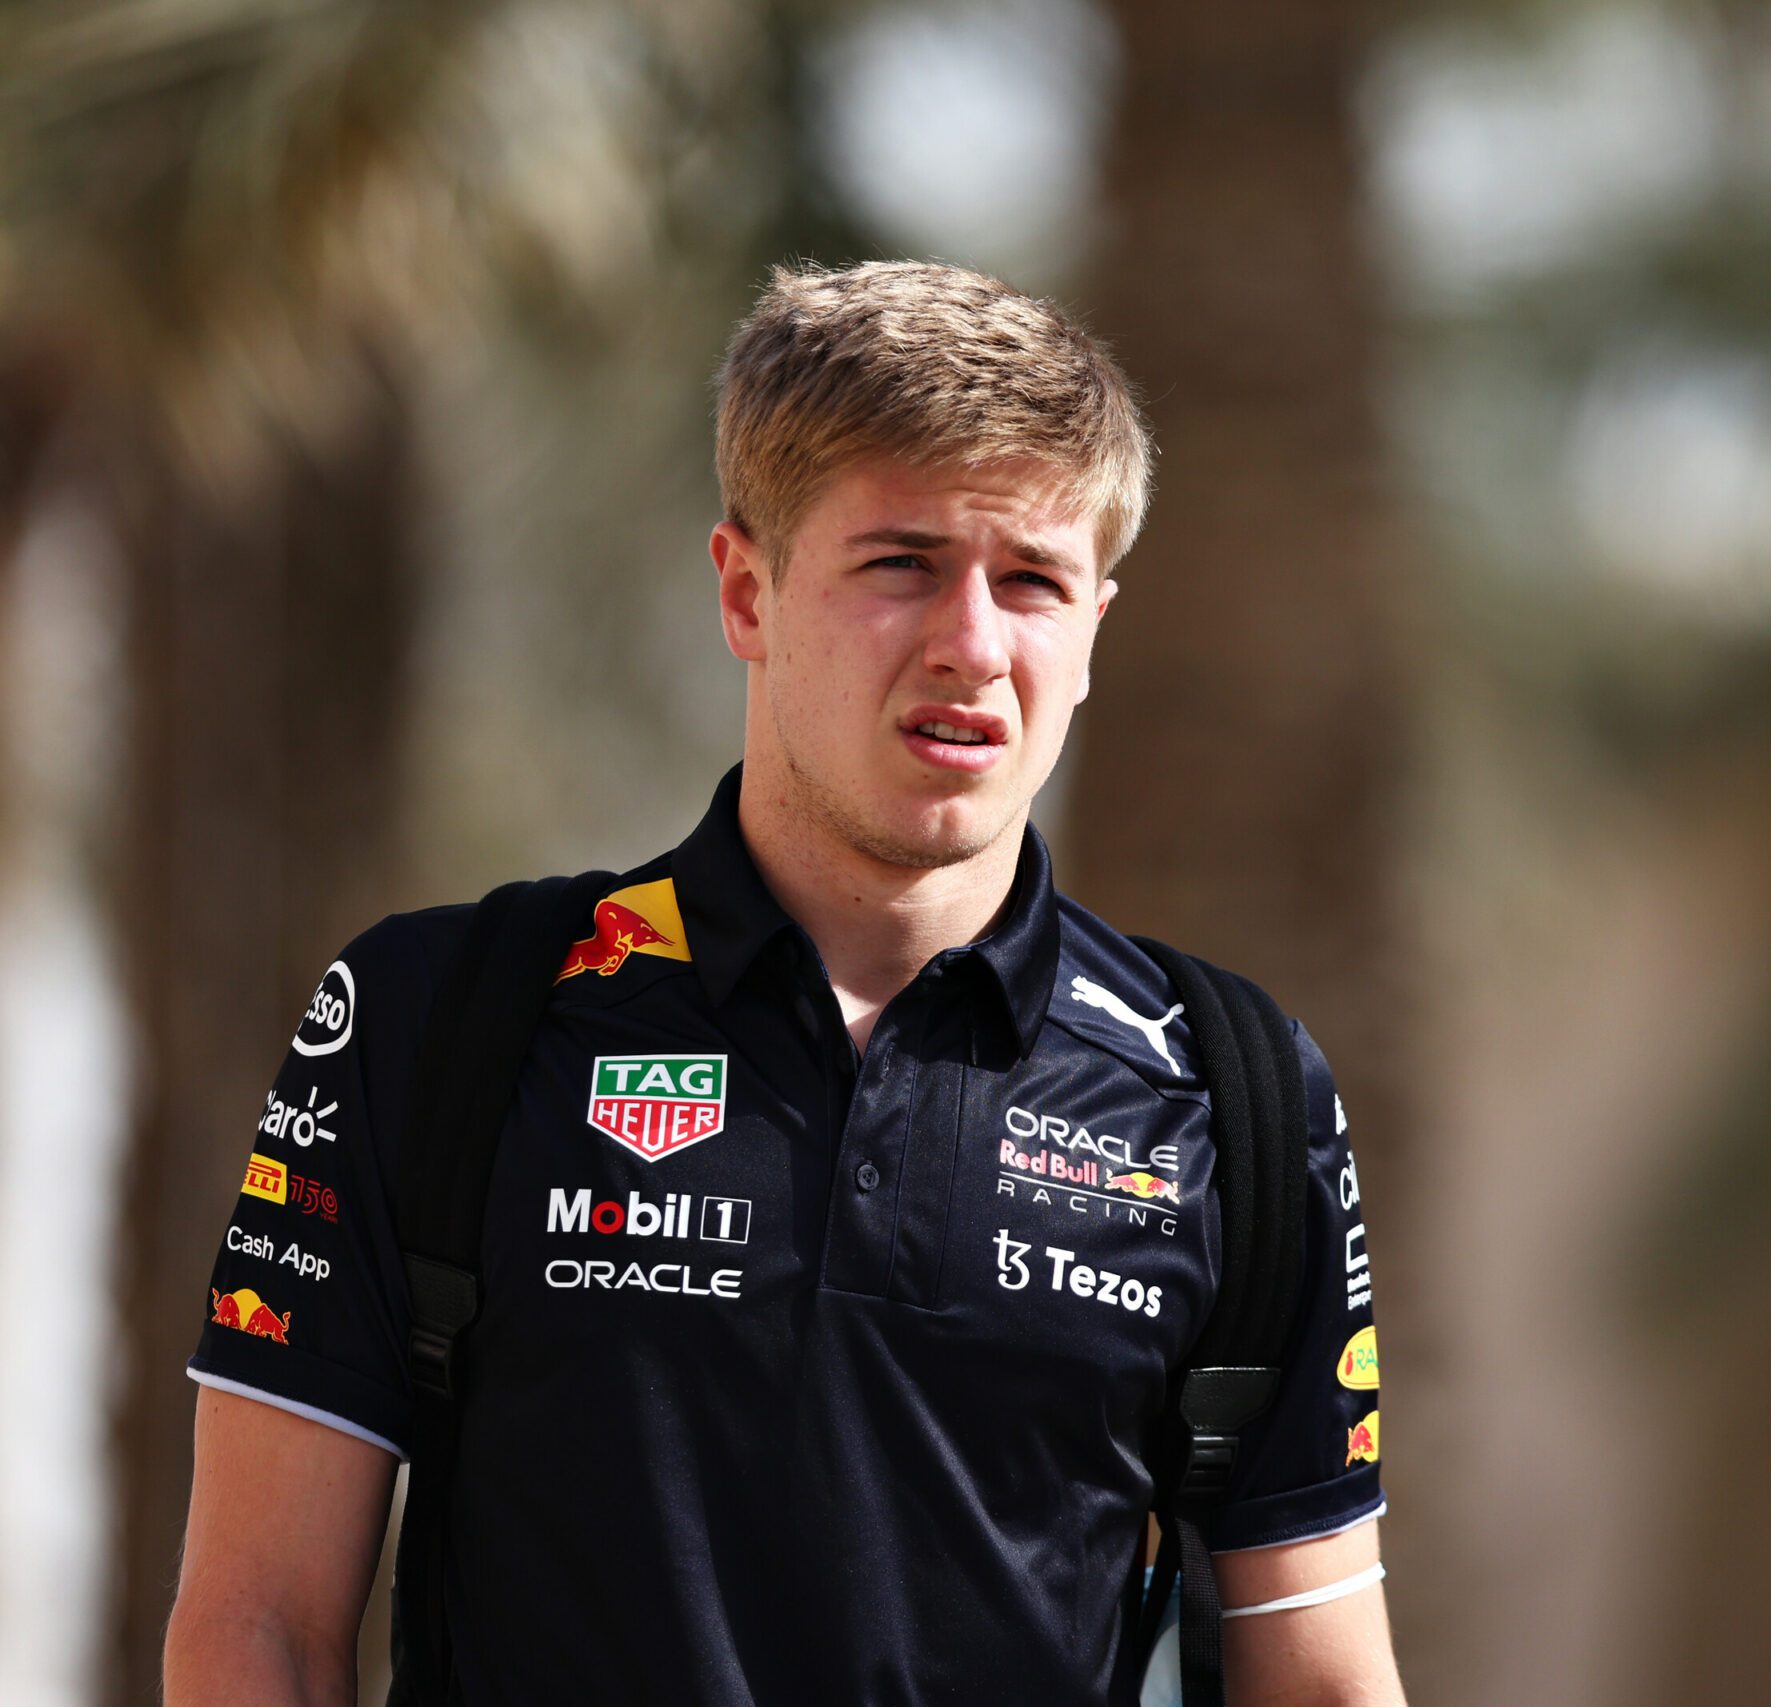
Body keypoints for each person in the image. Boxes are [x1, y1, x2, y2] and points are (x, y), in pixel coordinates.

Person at [163, 261, 1404, 1706]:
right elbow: (257, 1625)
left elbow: (1325, 1683)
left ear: (1093, 632)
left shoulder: (1235, 1096)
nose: (972, 645)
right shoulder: (438, 1014)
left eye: (1032, 581)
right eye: (901, 564)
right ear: (746, 590)